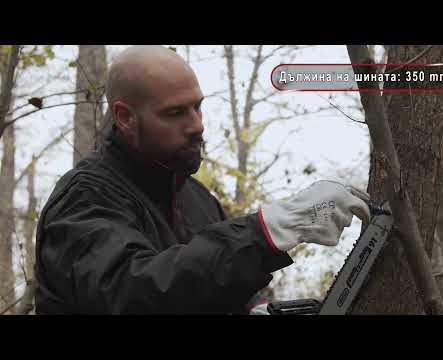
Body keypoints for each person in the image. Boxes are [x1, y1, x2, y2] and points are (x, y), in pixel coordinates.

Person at [34, 45, 371, 314]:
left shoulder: (197, 198)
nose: (196, 125)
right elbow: (132, 293)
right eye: (175, 112)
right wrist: (267, 232)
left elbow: (210, 290)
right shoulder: (85, 197)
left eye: (198, 107)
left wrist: (256, 308)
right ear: (124, 117)